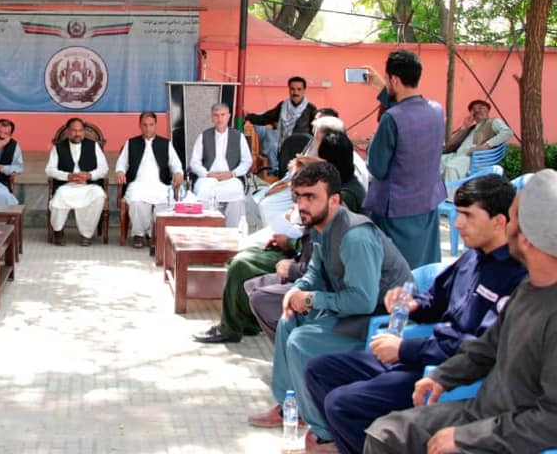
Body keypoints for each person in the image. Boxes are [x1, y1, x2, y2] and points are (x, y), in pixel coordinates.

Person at [305, 174, 526, 454]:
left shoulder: (516, 276)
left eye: (468, 215)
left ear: (499, 221)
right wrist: (411, 305)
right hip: (422, 355)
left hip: (450, 371)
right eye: (458, 213)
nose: (457, 224)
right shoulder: (472, 257)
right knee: (319, 371)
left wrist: (404, 349)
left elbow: (480, 348)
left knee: (342, 404)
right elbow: (434, 300)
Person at [364, 169, 557, 454]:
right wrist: (443, 376)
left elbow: (550, 420)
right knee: (386, 434)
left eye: (513, 219)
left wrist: (468, 438)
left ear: (527, 238)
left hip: (514, 434)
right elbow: (486, 348)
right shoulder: (529, 288)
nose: (506, 226)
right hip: (483, 413)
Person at [247, 162, 411, 448]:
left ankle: (326, 433)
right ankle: (291, 407)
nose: (302, 205)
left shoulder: (355, 236)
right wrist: (297, 291)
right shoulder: (321, 227)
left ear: (334, 199)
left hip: (381, 320)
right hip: (353, 311)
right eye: (299, 196)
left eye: (311, 197)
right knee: (288, 321)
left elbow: (363, 300)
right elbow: (314, 272)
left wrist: (312, 299)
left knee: (301, 341)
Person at [195, 132, 364, 345]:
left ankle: (231, 328)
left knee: (241, 265)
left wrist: (290, 243)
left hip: (307, 260)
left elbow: (324, 244)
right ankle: (245, 321)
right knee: (245, 255)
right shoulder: (336, 184)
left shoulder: (342, 195)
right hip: (299, 247)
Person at [363, 51, 447, 268]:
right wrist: (383, 88)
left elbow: (377, 167)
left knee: (397, 273)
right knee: (425, 268)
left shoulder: (390, 119)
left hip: (396, 209)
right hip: (427, 202)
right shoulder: (437, 110)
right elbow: (409, 113)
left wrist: (373, 142)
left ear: (394, 80)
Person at [115, 112, 184, 249]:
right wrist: (120, 171)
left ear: (155, 125)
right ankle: (139, 234)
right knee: (136, 201)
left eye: (151, 125)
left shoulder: (165, 144)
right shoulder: (131, 143)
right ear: (140, 126)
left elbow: (176, 165)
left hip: (160, 183)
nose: (148, 128)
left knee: (165, 202)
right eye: (145, 125)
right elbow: (122, 163)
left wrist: (178, 173)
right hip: (137, 183)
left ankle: (155, 234)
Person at [45, 117, 109, 247]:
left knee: (99, 195)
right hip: (67, 185)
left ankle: (86, 234)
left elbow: (104, 169)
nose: (77, 134)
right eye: (74, 130)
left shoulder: (93, 145)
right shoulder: (58, 147)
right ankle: (58, 231)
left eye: (80, 130)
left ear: (83, 132)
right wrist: (68, 176)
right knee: (59, 196)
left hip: (88, 185)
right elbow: (49, 170)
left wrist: (89, 175)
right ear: (68, 132)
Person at [189, 102, 253, 228]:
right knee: (201, 192)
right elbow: (194, 162)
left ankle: (233, 231)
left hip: (230, 177)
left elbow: (247, 161)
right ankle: (205, 229)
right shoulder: (203, 136)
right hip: (208, 177)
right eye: (216, 115)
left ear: (229, 116)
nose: (219, 119)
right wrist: (206, 174)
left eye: (223, 115)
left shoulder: (238, 136)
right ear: (212, 117)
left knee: (236, 194)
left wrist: (233, 173)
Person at [246, 76, 318, 176]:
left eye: (299, 89)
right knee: (284, 177)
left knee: (301, 179)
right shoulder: (282, 106)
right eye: (292, 89)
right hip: (285, 150)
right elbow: (266, 118)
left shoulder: (311, 109)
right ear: (289, 89)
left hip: (302, 152)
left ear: (304, 91)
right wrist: (248, 116)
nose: (295, 92)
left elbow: (316, 131)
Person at [440, 99, 513, 181]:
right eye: (473, 109)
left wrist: (488, 144)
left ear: (487, 110)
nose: (477, 111)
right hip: (456, 155)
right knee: (434, 161)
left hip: (472, 158)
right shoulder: (471, 128)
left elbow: (507, 132)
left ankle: (450, 189)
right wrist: (464, 127)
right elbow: (451, 145)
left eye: (480, 108)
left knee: (451, 167)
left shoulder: (493, 122)